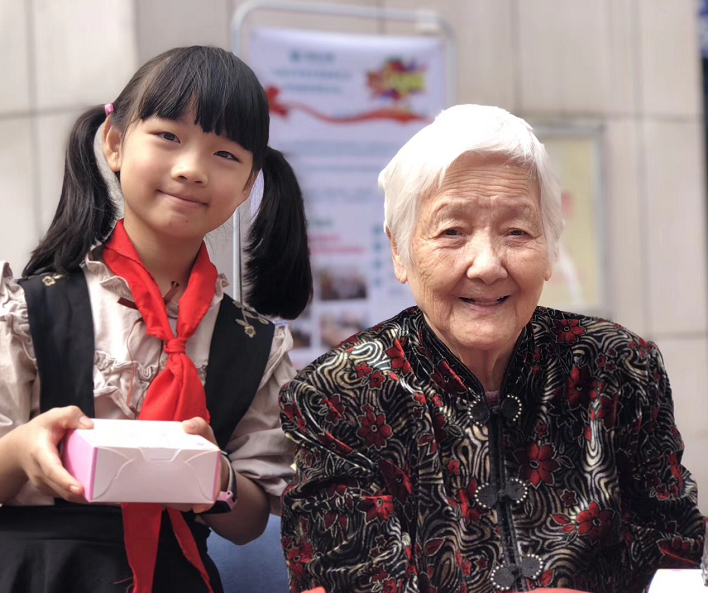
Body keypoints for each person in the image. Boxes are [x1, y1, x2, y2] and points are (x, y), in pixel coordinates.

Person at [0, 46, 312, 593]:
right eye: (169, 137)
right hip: (39, 575)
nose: (192, 169)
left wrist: (214, 476)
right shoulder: (32, 308)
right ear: (114, 143)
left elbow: (249, 523)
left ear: (249, 186)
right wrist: (23, 449)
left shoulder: (254, 343)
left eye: (226, 155)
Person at [279, 104, 704, 593]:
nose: (486, 265)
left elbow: (677, 556)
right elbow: (343, 580)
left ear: (550, 249)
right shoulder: (341, 394)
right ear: (400, 251)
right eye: (452, 231)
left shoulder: (618, 368)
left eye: (517, 232)